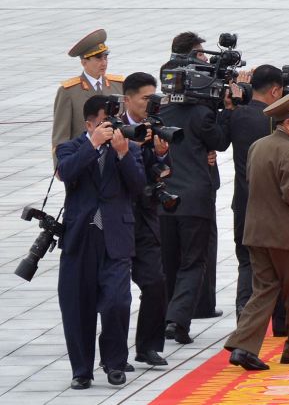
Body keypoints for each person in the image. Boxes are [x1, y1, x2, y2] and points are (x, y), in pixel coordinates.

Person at [225, 86, 289, 370]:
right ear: (288, 122)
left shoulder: (260, 145)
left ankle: (243, 346)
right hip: (286, 235)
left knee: (264, 290)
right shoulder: (288, 150)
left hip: (257, 231)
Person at [56, 95, 146, 389]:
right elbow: (66, 173)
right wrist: (93, 145)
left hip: (115, 237)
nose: (109, 129)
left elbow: (138, 186)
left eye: (112, 123)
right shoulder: (71, 148)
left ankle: (115, 362)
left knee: (117, 303)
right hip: (80, 238)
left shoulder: (127, 147)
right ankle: (81, 370)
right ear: (89, 124)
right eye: (103, 124)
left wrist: (122, 154)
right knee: (77, 306)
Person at [159, 60, 239, 345]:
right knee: (193, 262)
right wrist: (228, 112)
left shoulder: (162, 110)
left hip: (164, 198)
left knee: (168, 261)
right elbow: (220, 141)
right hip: (195, 200)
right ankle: (177, 321)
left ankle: (163, 316)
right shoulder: (203, 114)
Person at [228, 64, 289, 330]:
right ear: (275, 90)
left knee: (246, 262)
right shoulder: (274, 120)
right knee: (280, 263)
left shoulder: (237, 115)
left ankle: (245, 317)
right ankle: (281, 321)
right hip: (273, 203)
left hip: (243, 201)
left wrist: (232, 104)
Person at [120, 72, 172, 367]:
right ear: (127, 99)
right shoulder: (114, 127)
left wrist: (162, 155)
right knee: (115, 292)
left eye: (155, 98)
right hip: (117, 221)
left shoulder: (155, 127)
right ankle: (115, 354)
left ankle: (148, 347)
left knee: (155, 283)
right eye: (145, 98)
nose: (151, 104)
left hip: (146, 219)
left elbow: (161, 172)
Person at [52, 29, 123, 160]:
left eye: (105, 57)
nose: (104, 62)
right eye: (98, 58)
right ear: (84, 62)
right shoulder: (68, 91)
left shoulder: (118, 86)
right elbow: (61, 136)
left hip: (113, 161)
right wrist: (61, 168)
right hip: (83, 160)